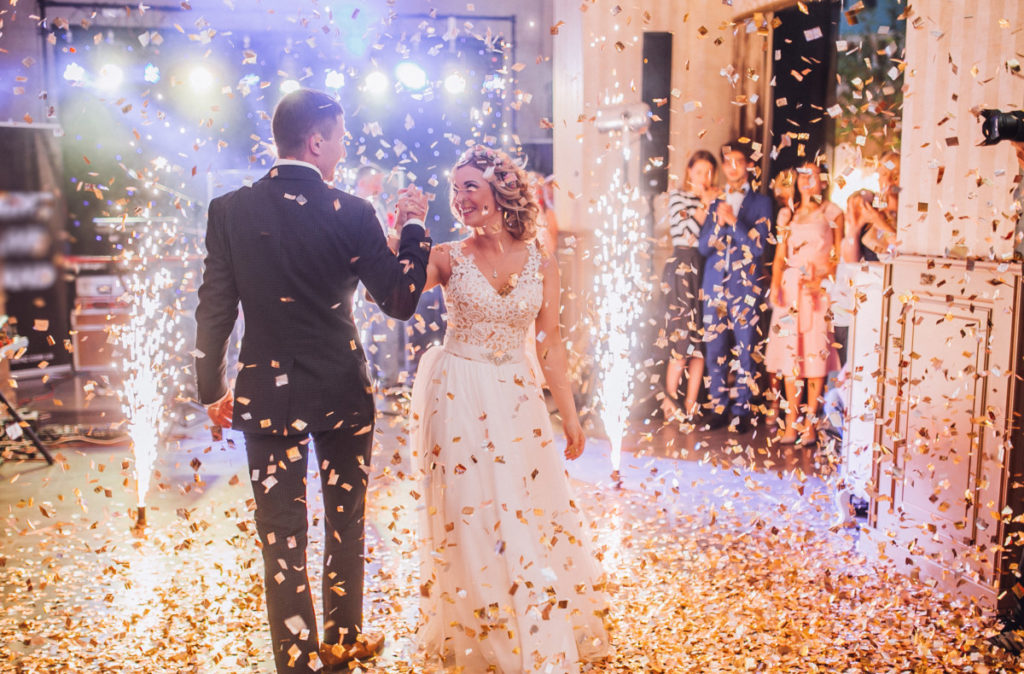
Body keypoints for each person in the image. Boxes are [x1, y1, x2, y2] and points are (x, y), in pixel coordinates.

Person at [193, 88, 432, 672]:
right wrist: (417, 229)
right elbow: (401, 300)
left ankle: (297, 661)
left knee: (281, 536)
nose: (344, 152)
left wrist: (211, 389)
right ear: (316, 141)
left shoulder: (230, 210)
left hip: (266, 394)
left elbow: (214, 310)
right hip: (341, 392)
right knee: (347, 518)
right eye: (341, 139)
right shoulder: (353, 213)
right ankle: (343, 641)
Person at [410, 145, 609, 671]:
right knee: (470, 509)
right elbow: (399, 291)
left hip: (517, 397)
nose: (460, 198)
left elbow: (551, 345)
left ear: (500, 190)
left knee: (522, 507)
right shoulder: (446, 256)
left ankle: (530, 615)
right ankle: (481, 625)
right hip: (458, 392)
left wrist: (569, 415)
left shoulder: (541, 261)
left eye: (470, 186)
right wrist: (407, 230)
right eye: (455, 190)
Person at [764, 160, 843, 446]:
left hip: (817, 291)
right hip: (790, 290)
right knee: (790, 358)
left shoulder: (833, 212)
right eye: (802, 175)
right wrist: (775, 283)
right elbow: (780, 254)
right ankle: (790, 424)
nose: (806, 180)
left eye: (812, 175)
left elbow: (838, 256)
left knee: (815, 358)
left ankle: (810, 426)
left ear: (823, 180)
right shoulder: (788, 214)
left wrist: (823, 277)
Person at [698, 139, 773, 433]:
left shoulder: (762, 202)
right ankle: (718, 406)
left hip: (744, 289)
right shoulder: (716, 202)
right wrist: (718, 223)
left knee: (746, 350)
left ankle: (742, 409)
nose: (731, 168)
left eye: (738, 162)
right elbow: (704, 247)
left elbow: (757, 248)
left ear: (749, 166)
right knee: (714, 350)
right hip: (715, 287)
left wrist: (735, 222)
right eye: (727, 162)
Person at [660, 150, 718, 422]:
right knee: (681, 339)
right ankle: (669, 403)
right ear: (688, 172)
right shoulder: (677, 196)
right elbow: (685, 233)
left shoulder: (713, 199)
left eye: (708, 172)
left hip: (704, 270)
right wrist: (704, 206)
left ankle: (691, 404)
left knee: (700, 343)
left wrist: (709, 204)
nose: (703, 178)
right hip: (682, 268)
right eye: (698, 172)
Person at [354, 163, 410, 398]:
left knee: (385, 326)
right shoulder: (352, 205)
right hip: (358, 278)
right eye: (376, 180)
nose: (379, 185)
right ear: (363, 181)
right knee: (362, 328)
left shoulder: (379, 205)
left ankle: (387, 379)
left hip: (380, 271)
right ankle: (364, 380)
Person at [842, 150, 899, 262]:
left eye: (895, 175)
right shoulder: (872, 212)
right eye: (884, 174)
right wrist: (855, 228)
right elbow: (851, 261)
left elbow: (903, 251)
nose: (888, 180)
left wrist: (881, 224)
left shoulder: (910, 216)